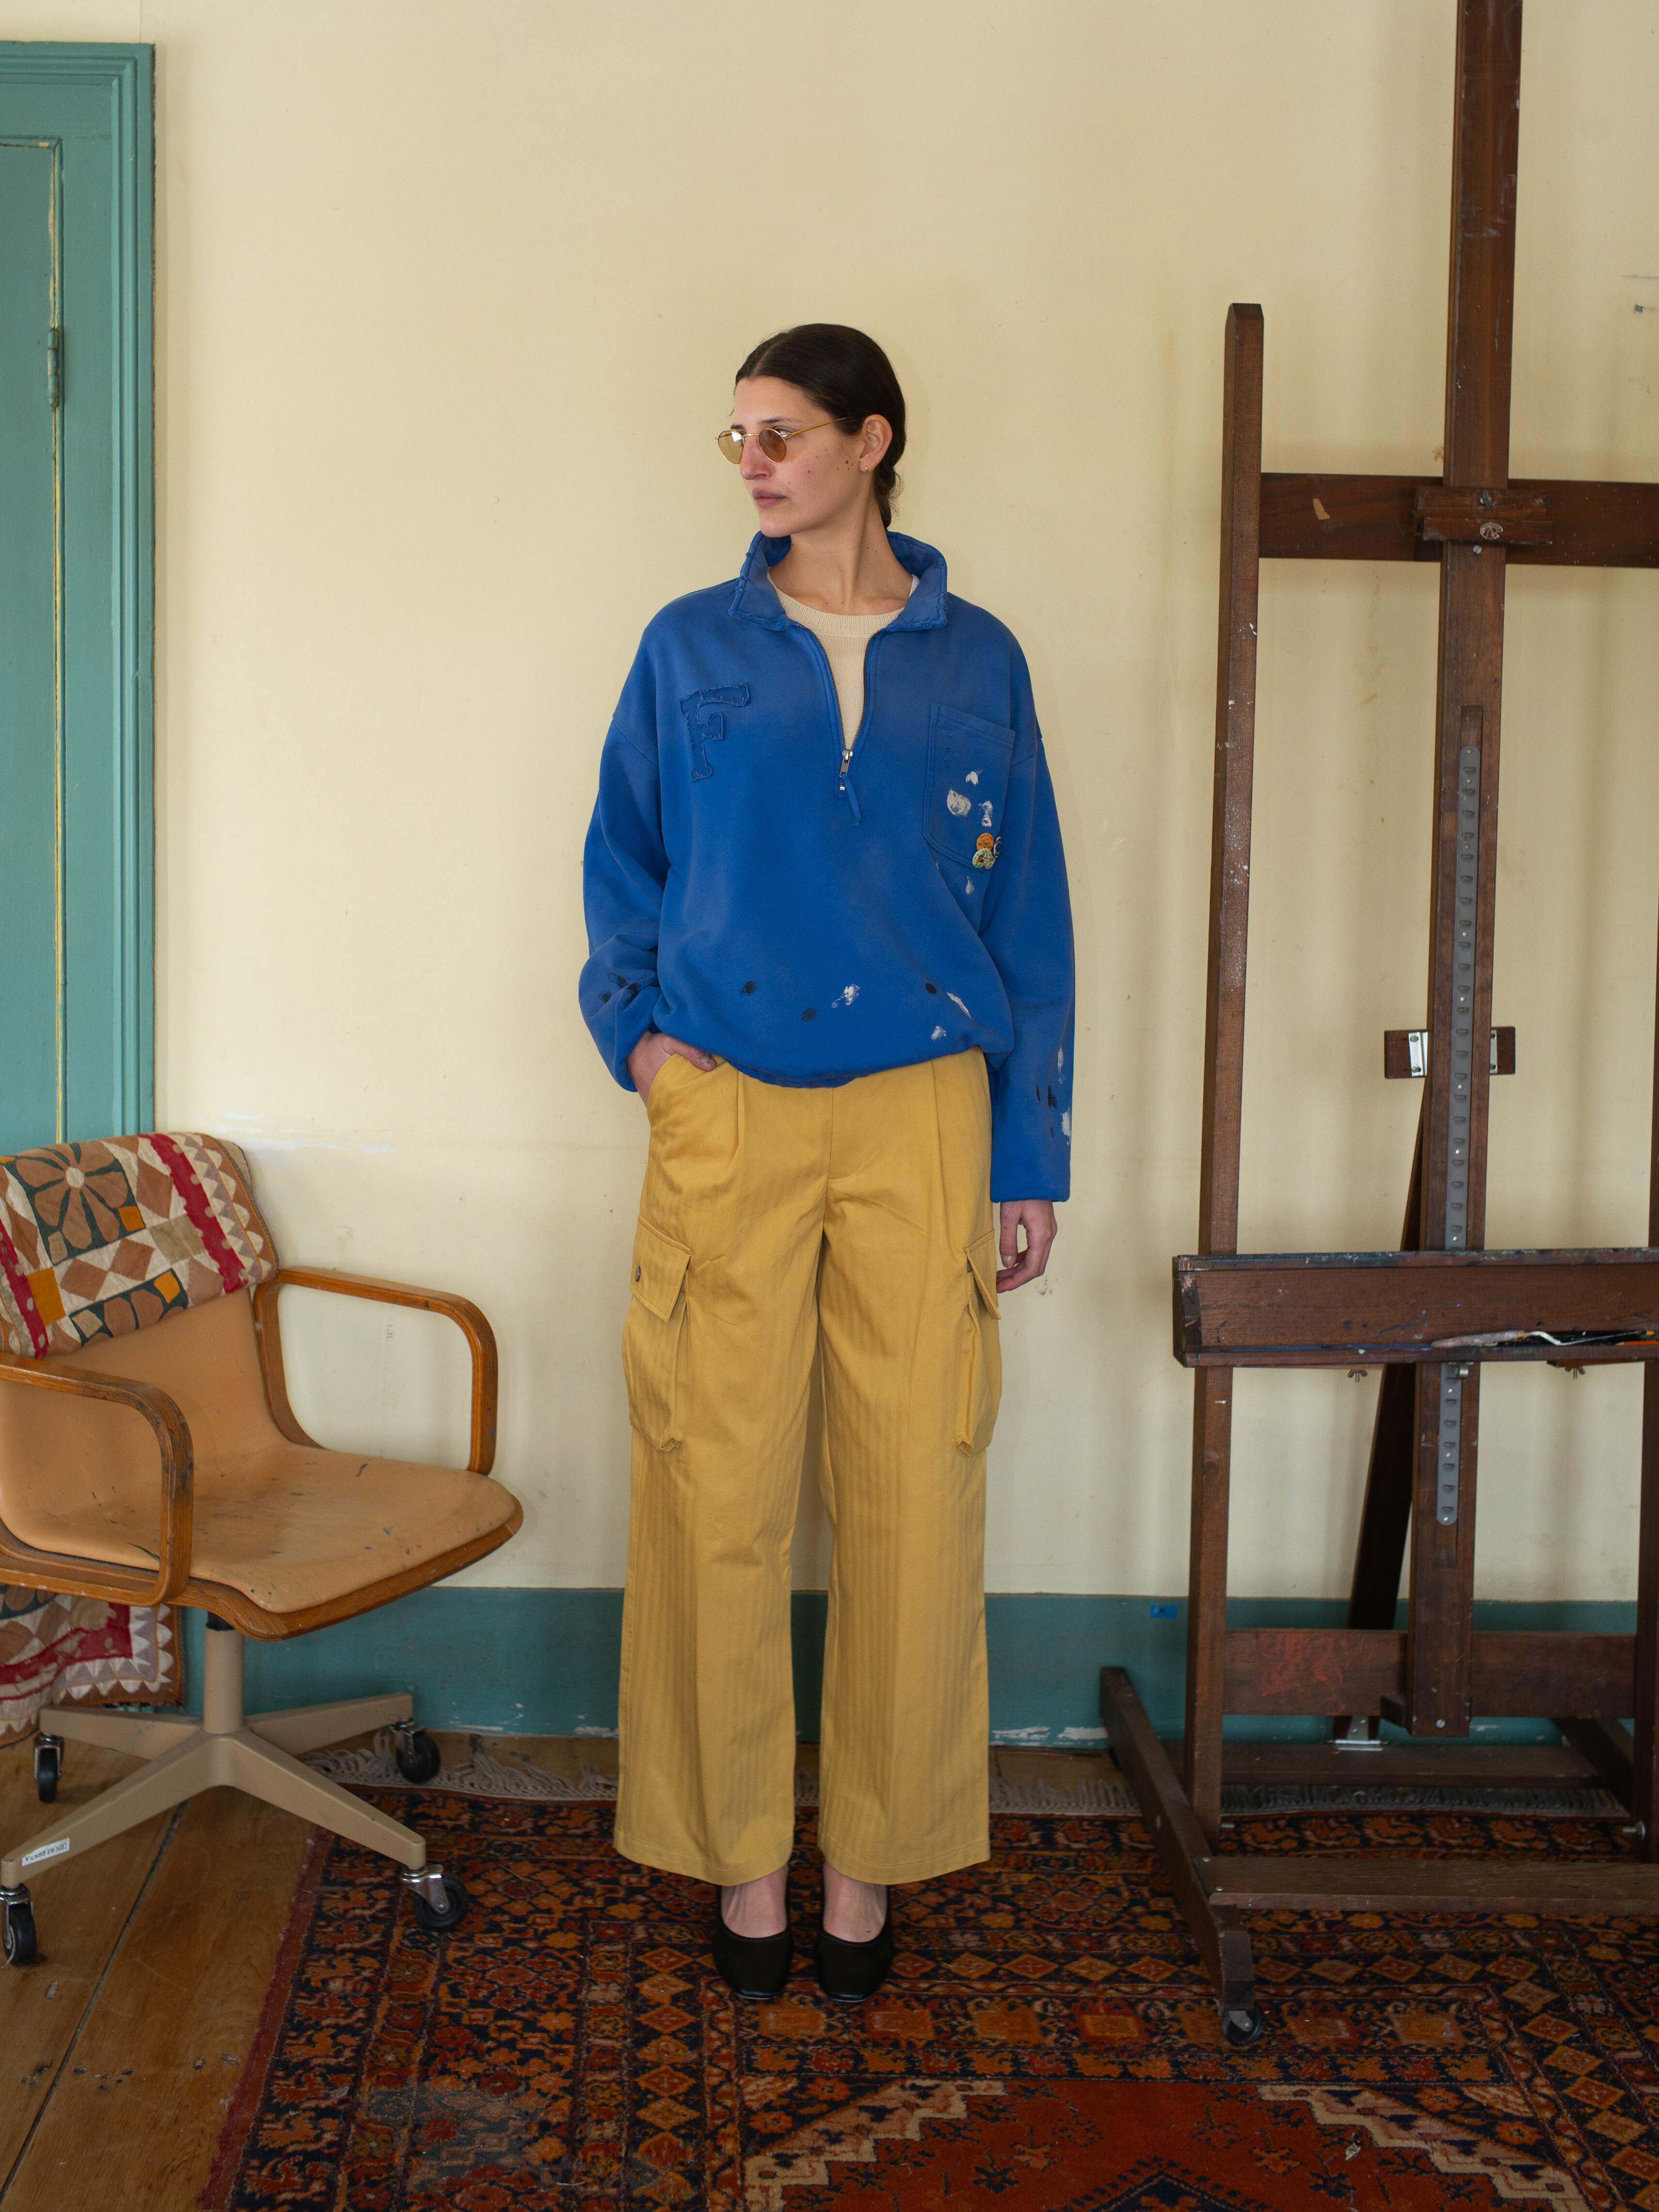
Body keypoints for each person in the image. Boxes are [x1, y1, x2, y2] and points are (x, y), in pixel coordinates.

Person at [580, 323, 1074, 2004]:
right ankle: (745, 1861)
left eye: (782, 432)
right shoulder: (692, 646)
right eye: (736, 439)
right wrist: (639, 1039)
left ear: (873, 441)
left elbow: (1031, 913)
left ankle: (870, 1865)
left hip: (928, 1105)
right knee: (717, 1480)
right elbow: (623, 866)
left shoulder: (978, 659)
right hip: (729, 1104)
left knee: (914, 1484)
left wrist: (1031, 1143)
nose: (755, 463)